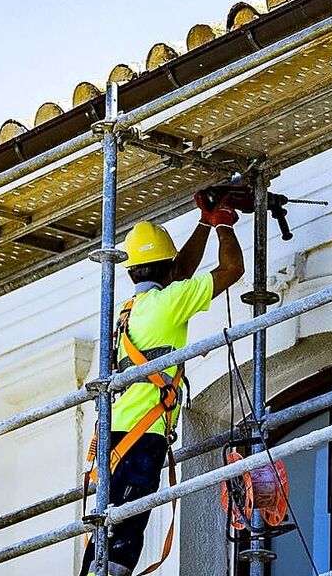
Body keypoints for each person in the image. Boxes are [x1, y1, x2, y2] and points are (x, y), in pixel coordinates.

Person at [80, 194, 244, 576]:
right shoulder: (170, 302)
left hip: (116, 432)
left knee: (110, 522)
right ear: (167, 269)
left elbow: (179, 273)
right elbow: (231, 269)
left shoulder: (131, 311)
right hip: (144, 434)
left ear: (131, 271)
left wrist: (204, 222)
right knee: (127, 528)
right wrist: (223, 224)